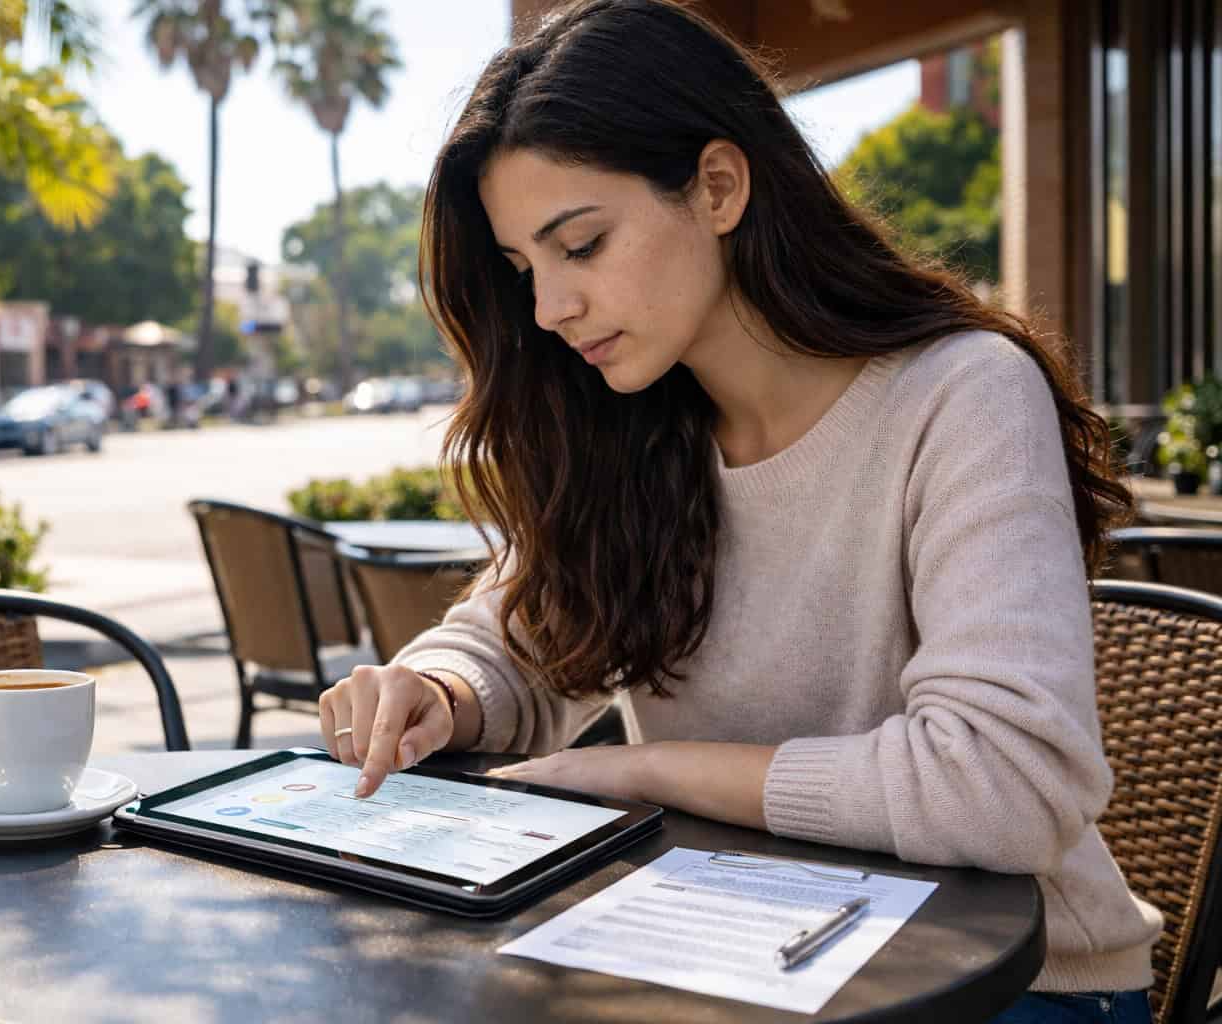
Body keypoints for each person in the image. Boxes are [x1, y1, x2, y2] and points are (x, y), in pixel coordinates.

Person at [314, 1, 1161, 1020]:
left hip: (1009, 982)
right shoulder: (632, 428)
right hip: (723, 952)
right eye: (524, 270)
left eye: (580, 244)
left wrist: (650, 767)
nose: (548, 310)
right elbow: (513, 644)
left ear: (718, 185)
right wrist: (435, 691)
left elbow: (1004, 788)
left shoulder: (961, 393)